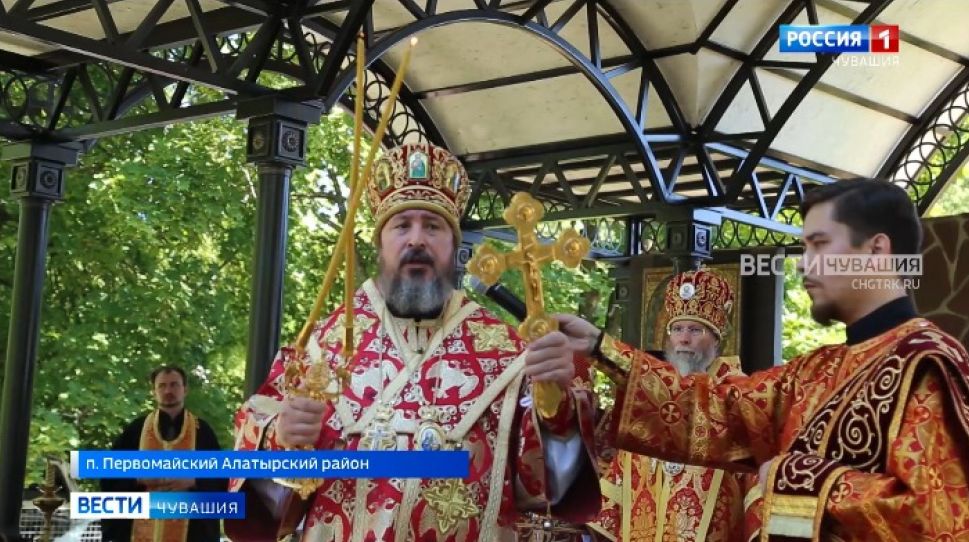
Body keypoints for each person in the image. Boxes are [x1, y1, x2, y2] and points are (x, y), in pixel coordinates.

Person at [527, 179, 969, 541]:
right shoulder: (817, 369)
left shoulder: (922, 364)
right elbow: (713, 410)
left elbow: (942, 518)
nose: (802, 265)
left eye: (818, 245)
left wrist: (792, 478)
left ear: (876, 250)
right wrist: (603, 348)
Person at [225, 143, 600, 542]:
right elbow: (264, 509)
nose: (417, 240)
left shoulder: (508, 357)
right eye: (402, 225)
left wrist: (557, 409)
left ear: (454, 246)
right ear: (380, 243)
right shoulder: (320, 353)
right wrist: (282, 441)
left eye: (433, 226)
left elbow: (553, 492)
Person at [587, 270, 749, 542]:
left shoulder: (739, 397)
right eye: (677, 329)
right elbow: (618, 487)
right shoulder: (649, 398)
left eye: (695, 330)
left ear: (717, 338)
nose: (683, 339)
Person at [100, 365, 226, 542]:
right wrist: (138, 479)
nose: (168, 390)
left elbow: (222, 480)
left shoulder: (202, 432)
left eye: (174, 385)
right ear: (154, 391)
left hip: (191, 532)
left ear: (185, 389)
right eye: (162, 385)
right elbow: (108, 477)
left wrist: (194, 481)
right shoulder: (136, 431)